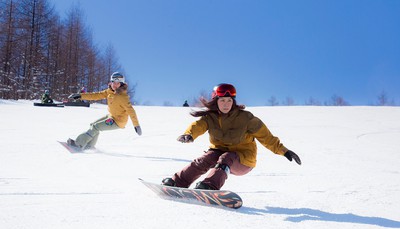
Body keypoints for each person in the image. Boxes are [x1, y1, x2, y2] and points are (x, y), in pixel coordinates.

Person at [162, 83, 301, 190]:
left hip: (243, 160)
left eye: (229, 100)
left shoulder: (246, 118)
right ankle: (178, 182)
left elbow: (267, 137)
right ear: (216, 101)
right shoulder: (211, 117)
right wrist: (189, 135)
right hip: (219, 152)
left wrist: (284, 151)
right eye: (222, 100)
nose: (226, 104)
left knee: (226, 157)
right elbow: (199, 125)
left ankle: (209, 186)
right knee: (205, 159)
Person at [67, 72, 142, 150]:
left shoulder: (123, 97)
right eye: (113, 82)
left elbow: (131, 111)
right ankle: (89, 147)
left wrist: (136, 125)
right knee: (93, 125)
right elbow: (96, 95)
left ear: (121, 84)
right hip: (111, 116)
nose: (115, 85)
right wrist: (80, 96)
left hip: (118, 121)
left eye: (118, 83)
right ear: (111, 82)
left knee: (96, 127)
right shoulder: (109, 92)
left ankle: (78, 144)